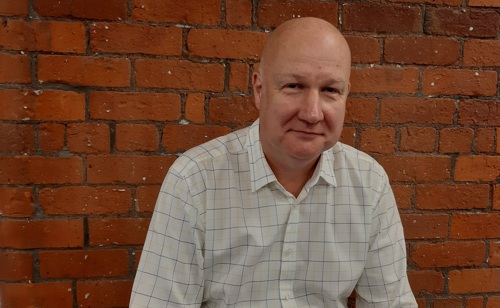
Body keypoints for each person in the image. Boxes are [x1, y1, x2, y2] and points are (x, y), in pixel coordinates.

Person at [130, 17, 417, 307]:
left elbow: (391, 303)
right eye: (294, 85)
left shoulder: (369, 183)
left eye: (330, 90)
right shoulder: (196, 181)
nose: (313, 113)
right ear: (259, 89)